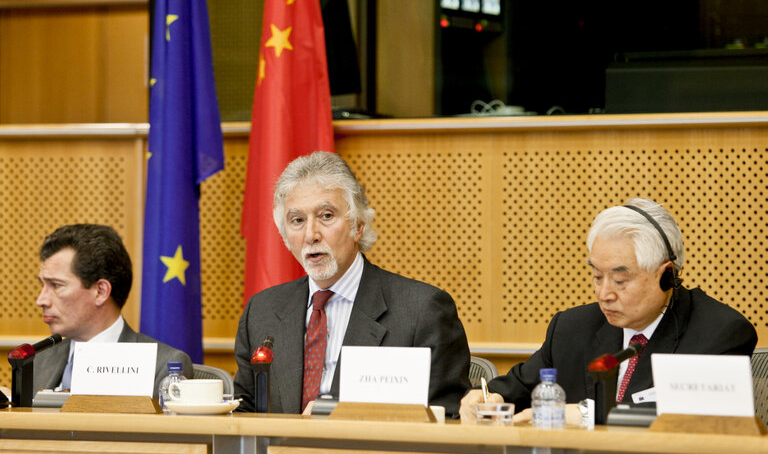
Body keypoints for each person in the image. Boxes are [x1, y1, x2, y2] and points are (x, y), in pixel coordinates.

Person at [460, 198, 757, 422]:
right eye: (597, 276)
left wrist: (587, 415)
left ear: (666, 275)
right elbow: (519, 388)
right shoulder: (572, 327)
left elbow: (693, 419)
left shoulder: (720, 331)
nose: (604, 294)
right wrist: (488, 397)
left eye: (619, 279)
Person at [233, 151, 471, 415]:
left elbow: (448, 418)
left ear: (358, 225)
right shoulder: (262, 311)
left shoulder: (421, 311)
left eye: (326, 216)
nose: (311, 234)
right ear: (286, 236)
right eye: (297, 221)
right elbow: (243, 414)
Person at [33, 224, 193, 398]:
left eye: (56, 285)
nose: (41, 300)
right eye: (43, 285)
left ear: (101, 292)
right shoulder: (38, 360)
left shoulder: (162, 365)